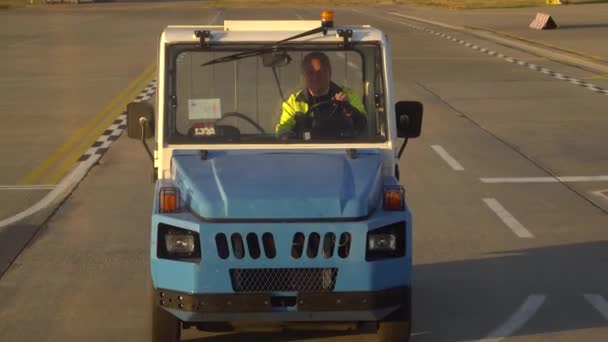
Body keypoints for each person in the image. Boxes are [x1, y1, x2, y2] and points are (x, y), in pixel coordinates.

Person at [275, 51, 367, 140]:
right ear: (304, 75)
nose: (315, 77)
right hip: (305, 153)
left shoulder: (349, 95)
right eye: (310, 73)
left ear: (329, 73)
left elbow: (363, 124)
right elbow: (283, 128)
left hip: (343, 151)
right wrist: (286, 136)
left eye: (320, 72)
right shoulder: (294, 102)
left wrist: (348, 108)